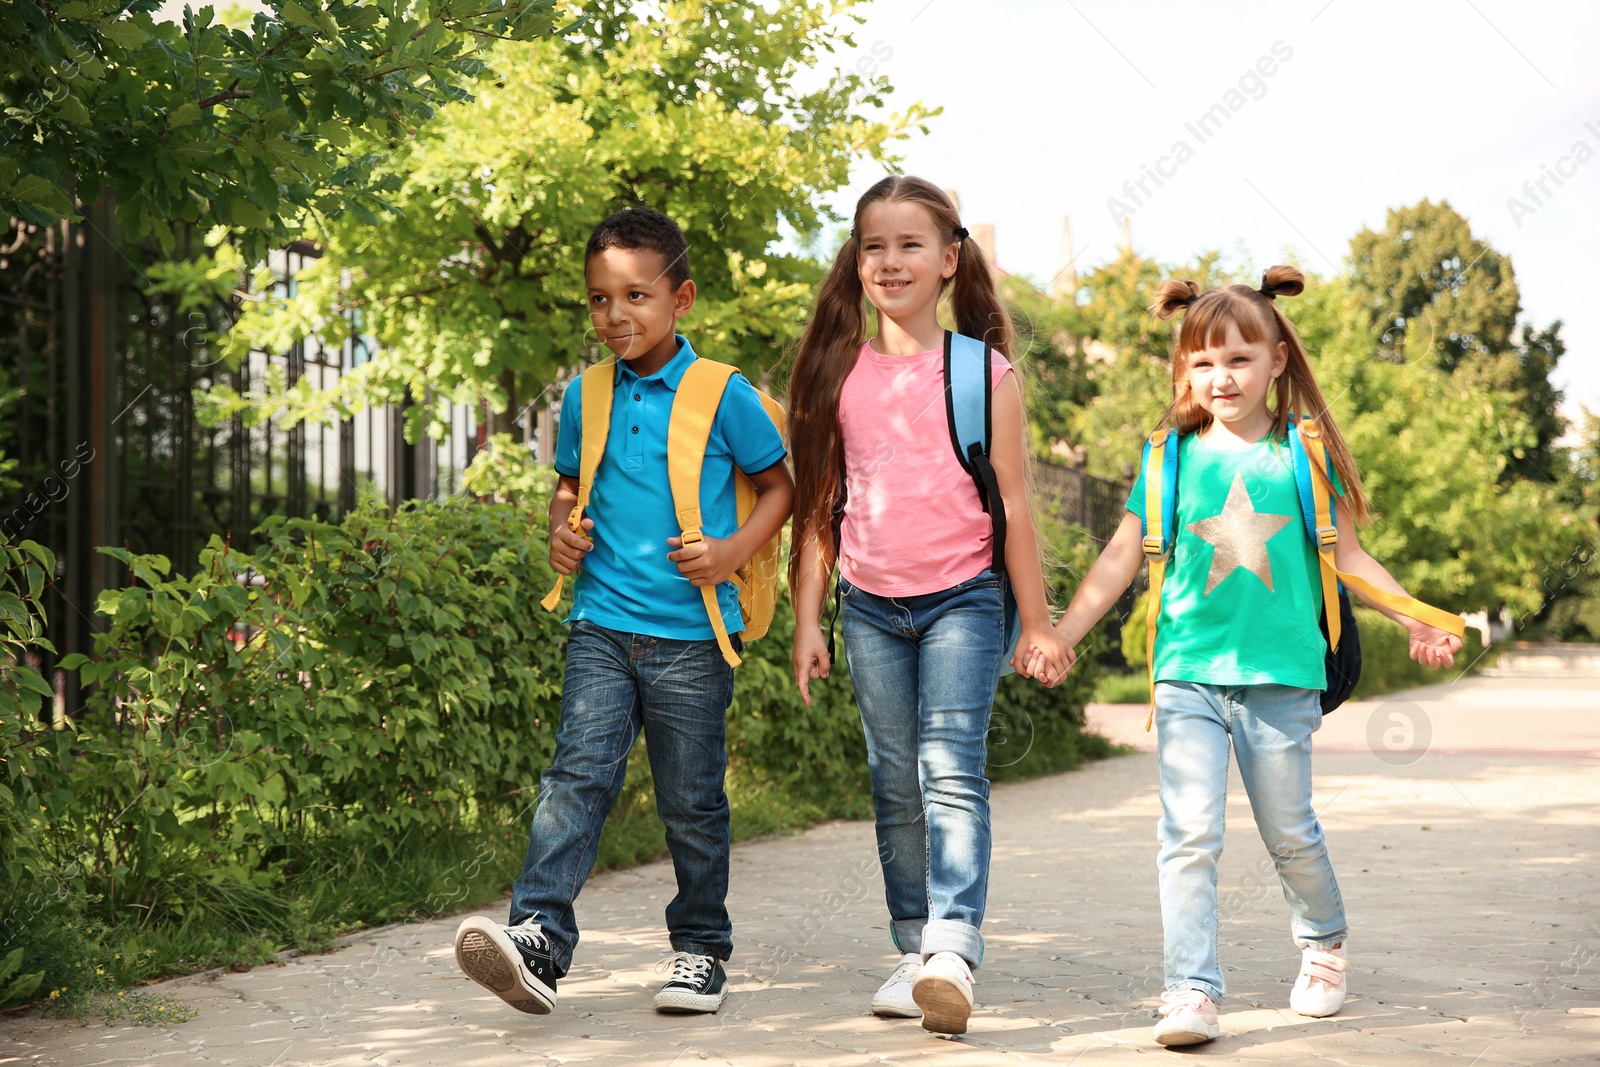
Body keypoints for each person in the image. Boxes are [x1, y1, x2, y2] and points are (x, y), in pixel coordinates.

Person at [1028, 266, 1463, 1046]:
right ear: (1183, 370)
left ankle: (1323, 939)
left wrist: (1417, 619)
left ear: (1277, 362)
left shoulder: (1304, 452)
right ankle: (1190, 990)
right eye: (1202, 361)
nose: (1220, 376)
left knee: (1289, 828)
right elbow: (1122, 554)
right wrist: (1062, 633)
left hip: (1281, 676)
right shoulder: (1168, 457)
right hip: (1188, 672)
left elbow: (1351, 558)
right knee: (1188, 833)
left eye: (1238, 359)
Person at [453, 207, 793, 1018]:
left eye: (635, 295)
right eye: (600, 299)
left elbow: (783, 486)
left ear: (682, 299)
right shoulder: (585, 393)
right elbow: (570, 486)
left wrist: (732, 549)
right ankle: (537, 937)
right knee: (575, 776)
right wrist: (558, 535)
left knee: (692, 800)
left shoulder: (723, 393)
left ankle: (700, 950)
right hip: (600, 623)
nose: (615, 315)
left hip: (692, 635)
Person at [786, 176, 1074, 1035]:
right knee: (893, 781)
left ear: (949, 260)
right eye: (874, 245)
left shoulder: (984, 371)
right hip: (869, 604)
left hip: (963, 600)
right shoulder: (841, 371)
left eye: (911, 244)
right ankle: (914, 951)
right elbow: (817, 507)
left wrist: (1037, 621)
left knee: (950, 765)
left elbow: (1013, 503)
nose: (890, 260)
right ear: (856, 261)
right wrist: (808, 619)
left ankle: (954, 944)